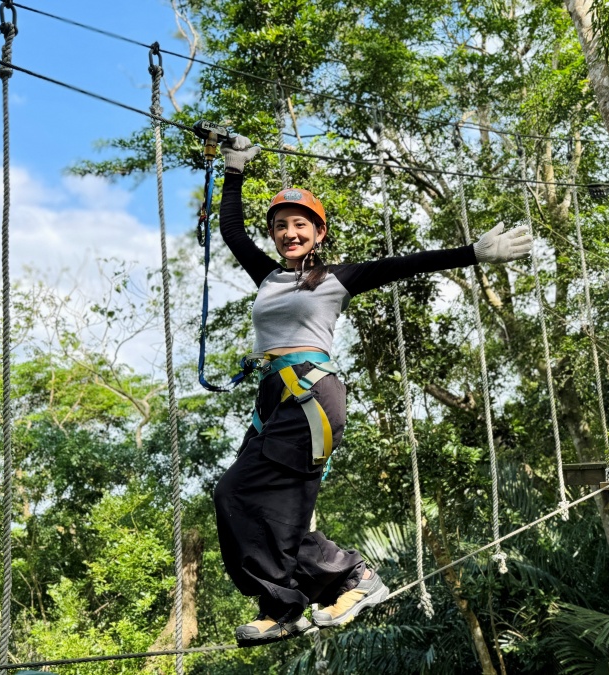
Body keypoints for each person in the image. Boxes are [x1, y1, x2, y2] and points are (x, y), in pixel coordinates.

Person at [212, 135, 532, 646]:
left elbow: (407, 264)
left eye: (300, 225)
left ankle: (342, 579)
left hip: (311, 397)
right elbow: (231, 232)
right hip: (274, 403)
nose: (288, 233)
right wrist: (234, 171)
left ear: (318, 233)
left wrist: (474, 253)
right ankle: (295, 602)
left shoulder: (334, 279)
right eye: (280, 226)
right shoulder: (269, 277)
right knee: (260, 508)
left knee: (234, 493)